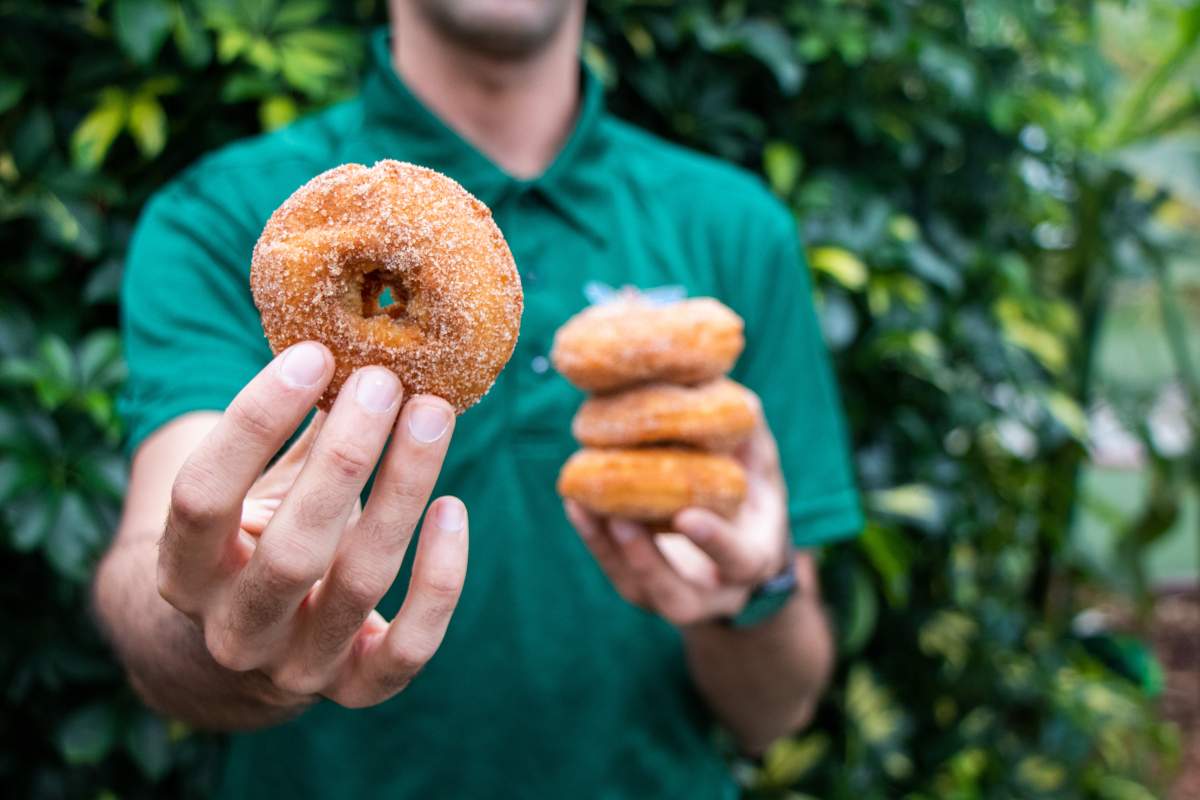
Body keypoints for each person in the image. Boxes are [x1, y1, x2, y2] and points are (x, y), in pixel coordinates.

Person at [92, 0, 863, 797]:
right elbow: (160, 569)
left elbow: (778, 712)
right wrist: (216, 609)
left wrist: (753, 589)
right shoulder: (230, 219)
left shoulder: (736, 229)